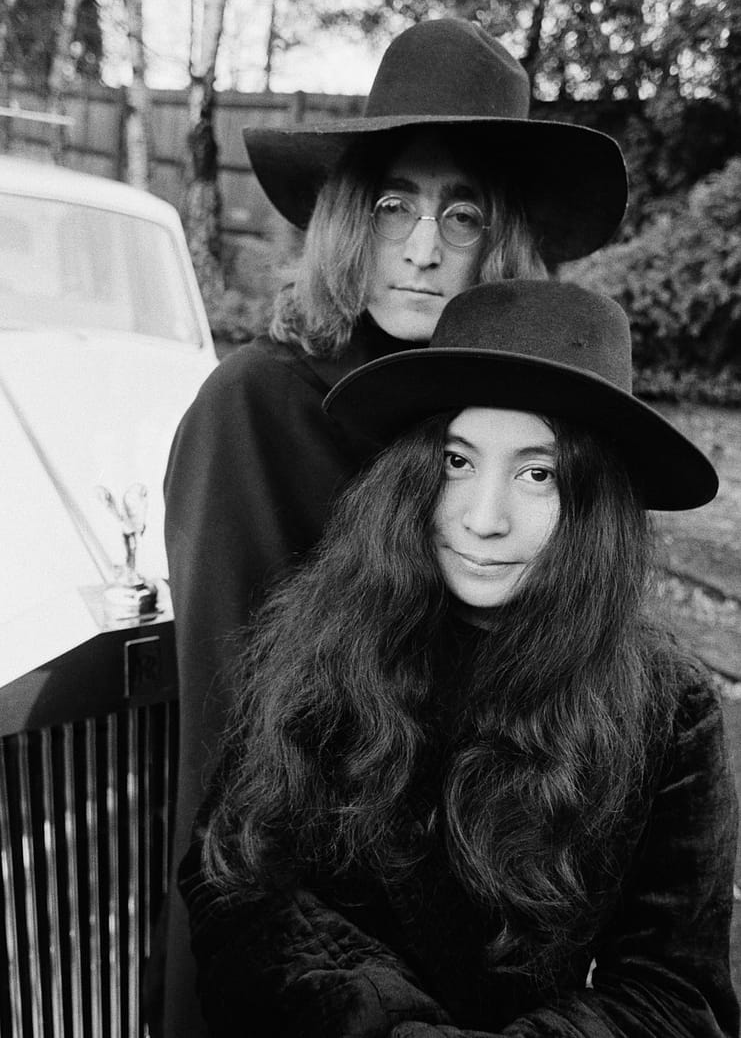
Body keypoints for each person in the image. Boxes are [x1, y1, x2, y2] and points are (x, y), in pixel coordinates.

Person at [160, 18, 628, 1035]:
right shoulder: (257, 404)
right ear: (345, 218)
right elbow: (227, 748)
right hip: (285, 931)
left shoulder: (488, 422)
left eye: (460, 215)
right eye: (392, 204)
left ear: (500, 239)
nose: (420, 248)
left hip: (478, 937)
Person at [180, 280, 737, 1037]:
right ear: (412, 470)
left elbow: (675, 995)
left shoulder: (667, 710)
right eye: (456, 461)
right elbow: (238, 880)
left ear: (594, 503)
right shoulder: (322, 634)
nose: (483, 519)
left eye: (536, 473)